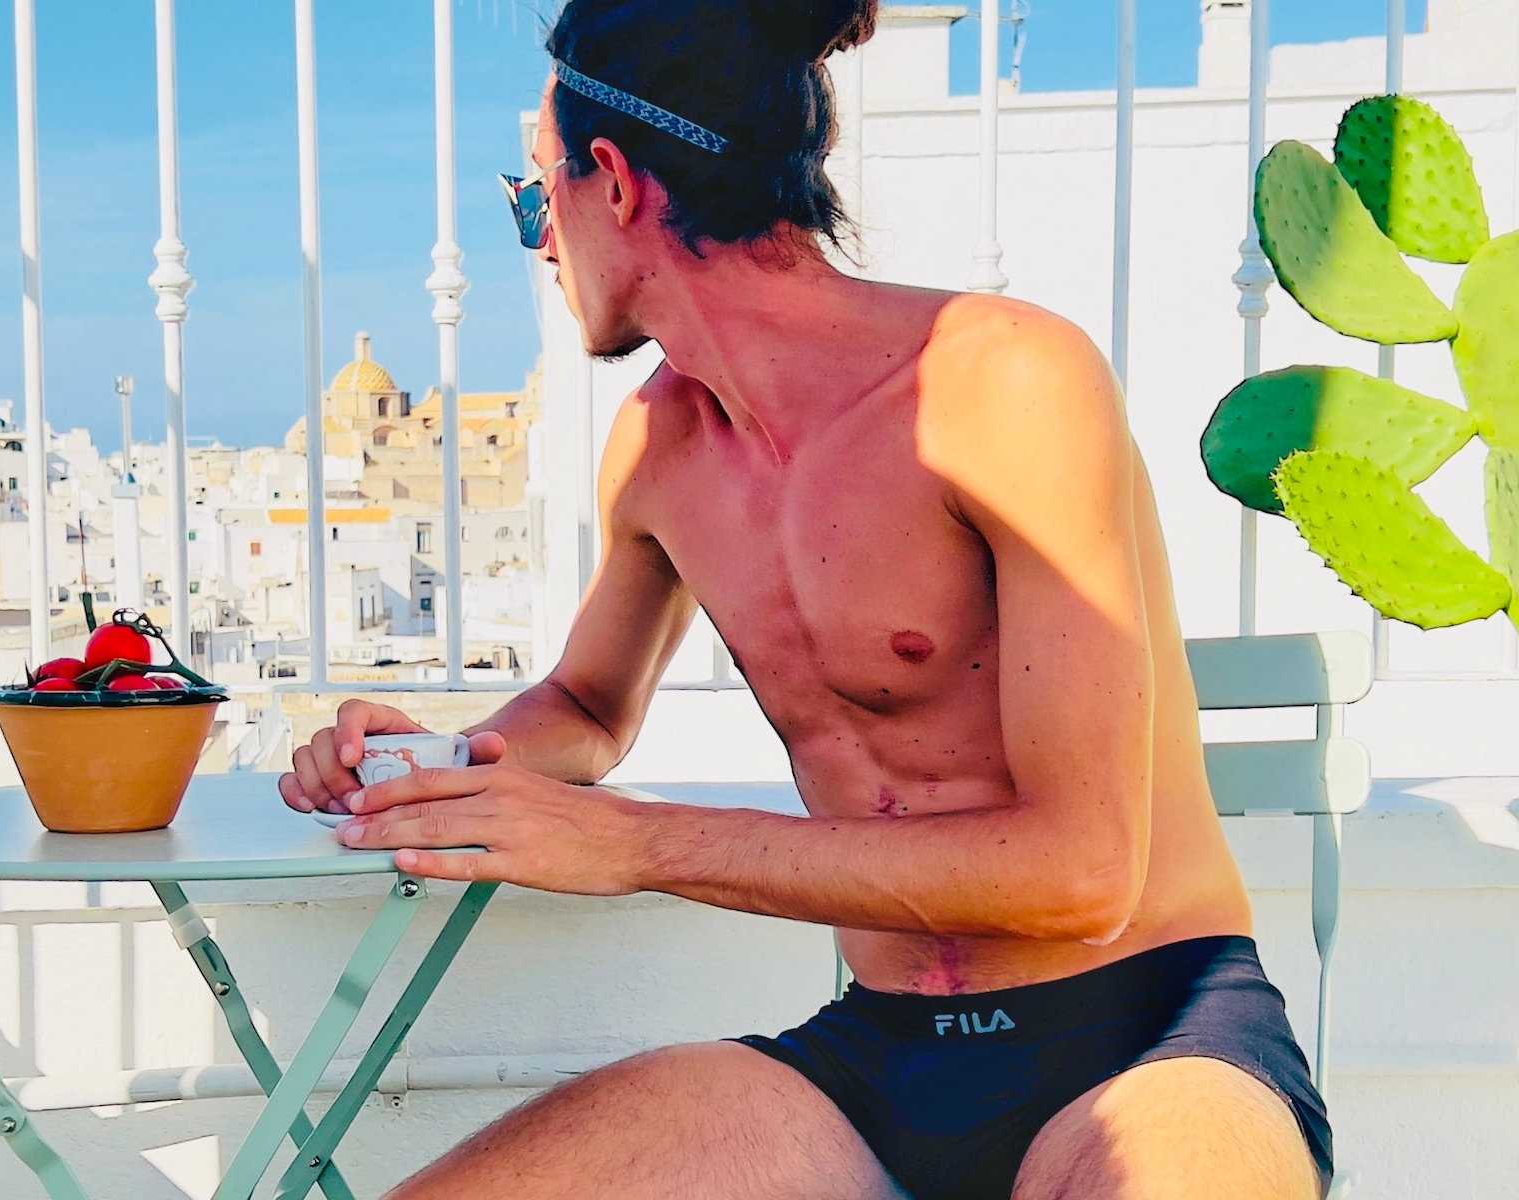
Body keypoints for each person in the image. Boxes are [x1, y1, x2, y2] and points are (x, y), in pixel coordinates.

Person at [279, 2, 1333, 1196]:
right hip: (877, 1066)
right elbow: (584, 701)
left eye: (535, 199)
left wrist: (634, 848)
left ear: (612, 184)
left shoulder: (996, 382)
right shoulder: (660, 451)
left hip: (1148, 1033)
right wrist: (450, 758)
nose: (538, 243)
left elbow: (1080, 872)